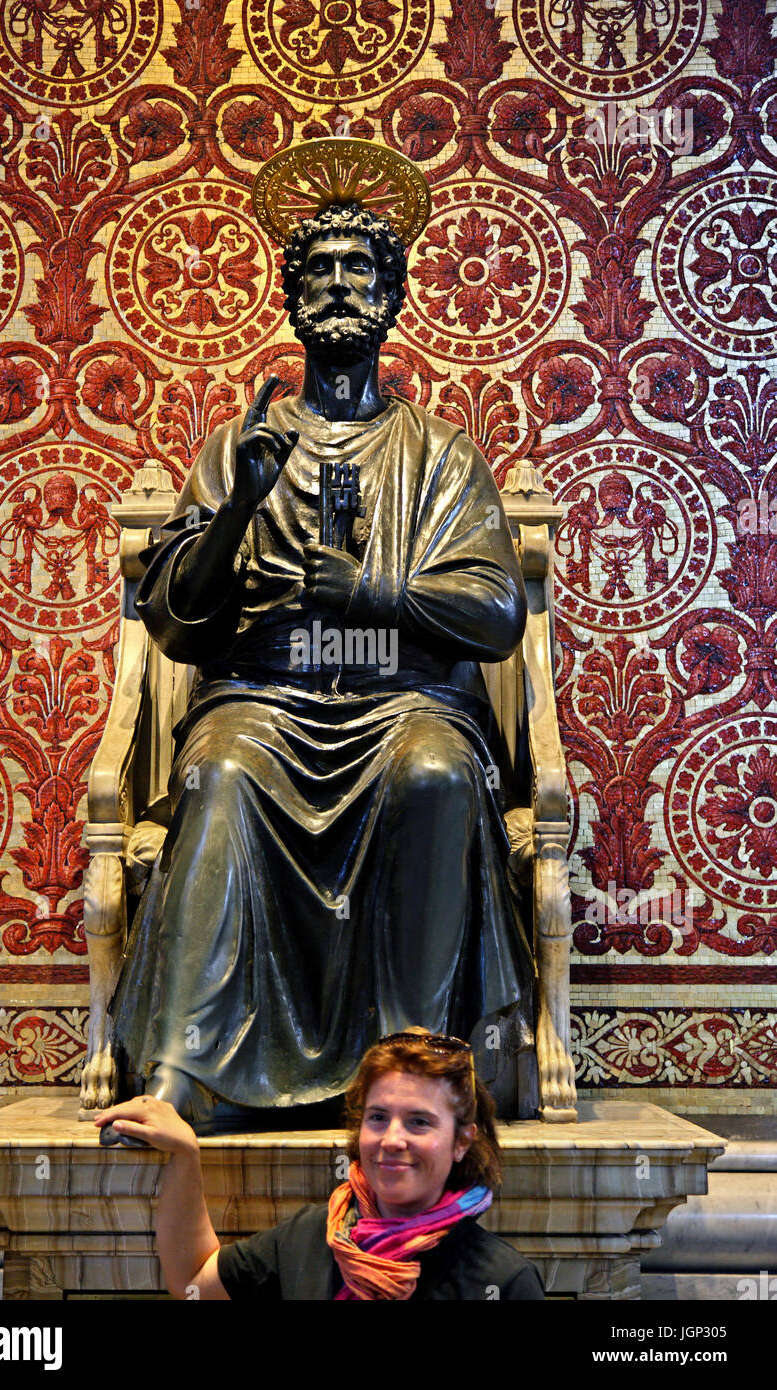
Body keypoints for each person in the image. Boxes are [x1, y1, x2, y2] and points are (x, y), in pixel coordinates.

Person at [106, 190, 532, 1132]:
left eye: (359, 269)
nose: (339, 285)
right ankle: (185, 1079)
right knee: (218, 775)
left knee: (434, 775)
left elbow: (499, 613)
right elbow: (176, 619)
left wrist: (379, 597)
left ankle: (419, 1087)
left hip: (405, 700)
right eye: (320, 271)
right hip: (262, 698)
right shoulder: (240, 447)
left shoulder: (442, 454)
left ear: (392, 295)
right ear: (293, 297)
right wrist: (238, 506)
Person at [95, 1030, 545, 1300]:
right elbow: (193, 1280)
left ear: (461, 1142)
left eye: (419, 1122)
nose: (391, 1140)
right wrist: (184, 1155)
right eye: (378, 1117)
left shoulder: (503, 1282)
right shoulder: (310, 1237)